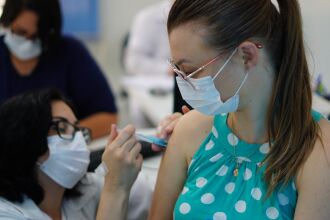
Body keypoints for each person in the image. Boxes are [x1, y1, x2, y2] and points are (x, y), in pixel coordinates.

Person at [149, 0, 330, 219]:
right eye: (177, 70)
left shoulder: (317, 150)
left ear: (247, 55)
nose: (185, 83)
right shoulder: (190, 131)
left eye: (192, 70)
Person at [0, 88, 151, 220]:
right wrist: (115, 188)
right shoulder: (6, 213)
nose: (78, 139)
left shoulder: (86, 188)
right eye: (61, 127)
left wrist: (172, 136)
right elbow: (115, 186)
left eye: (78, 129)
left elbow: (158, 197)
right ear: (24, 140)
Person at [0, 0, 117, 138]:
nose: (27, 42)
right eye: (21, 32)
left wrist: (65, 138)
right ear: (6, 22)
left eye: (37, 37)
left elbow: (108, 117)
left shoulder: (70, 53)